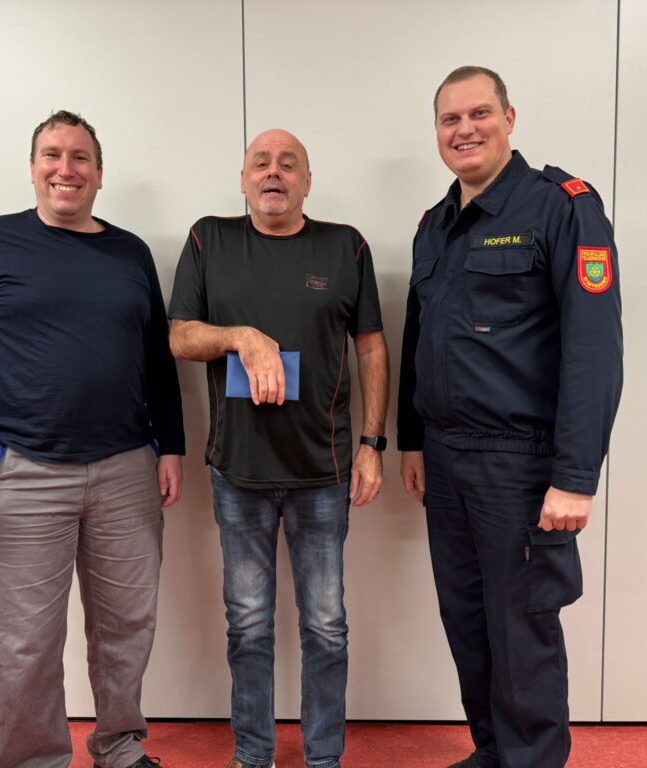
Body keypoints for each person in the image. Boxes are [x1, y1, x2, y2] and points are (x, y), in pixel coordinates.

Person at [0, 110, 184, 768]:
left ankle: (119, 746)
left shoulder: (130, 253)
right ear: (33, 167)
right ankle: (31, 760)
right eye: (52, 155)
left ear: (99, 174)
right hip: (21, 470)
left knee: (128, 625)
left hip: (127, 470)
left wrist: (172, 446)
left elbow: (157, 362)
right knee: (22, 641)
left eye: (79, 158)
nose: (65, 168)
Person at [397, 67, 623, 768]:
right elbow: (417, 339)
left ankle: (531, 759)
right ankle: (493, 752)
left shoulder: (561, 206)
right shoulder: (434, 226)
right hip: (446, 459)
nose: (464, 129)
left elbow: (593, 348)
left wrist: (575, 477)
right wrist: (412, 441)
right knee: (468, 624)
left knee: (521, 631)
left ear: (509, 118)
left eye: (479, 114)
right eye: (449, 119)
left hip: (519, 464)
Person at [168, 129, 389, 768]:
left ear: (307, 182)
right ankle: (253, 754)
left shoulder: (346, 247)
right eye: (260, 163)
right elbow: (180, 336)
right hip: (239, 473)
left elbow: (371, 347)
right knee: (248, 625)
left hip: (324, 471)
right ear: (242, 180)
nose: (274, 173)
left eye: (288, 164)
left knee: (326, 626)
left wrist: (373, 443)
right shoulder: (209, 239)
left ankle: (324, 758)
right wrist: (241, 336)